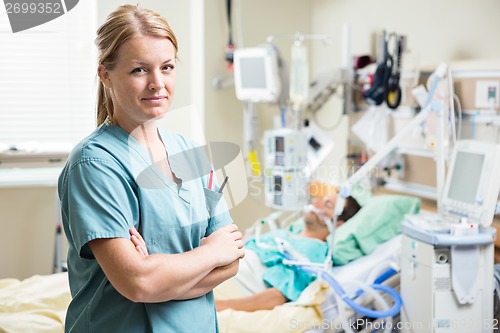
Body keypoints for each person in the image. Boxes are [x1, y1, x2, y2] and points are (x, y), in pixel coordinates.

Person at [58, 4, 244, 333]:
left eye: (167, 67)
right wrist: (210, 252)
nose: (157, 83)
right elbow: (139, 283)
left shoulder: (191, 152)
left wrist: (160, 274)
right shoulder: (95, 165)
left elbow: (232, 260)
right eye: (139, 70)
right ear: (105, 74)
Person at [211, 194, 362, 312]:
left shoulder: (315, 250)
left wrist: (221, 306)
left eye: (327, 204)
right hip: (216, 271)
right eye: (322, 199)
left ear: (338, 223)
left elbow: (277, 296)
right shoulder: (285, 234)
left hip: (228, 286)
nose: (317, 203)